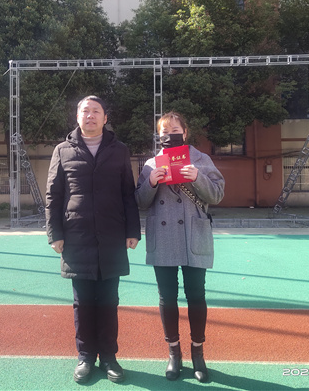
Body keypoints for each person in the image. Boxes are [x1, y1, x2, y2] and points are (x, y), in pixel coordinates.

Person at [45, 95, 141, 384]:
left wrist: (133, 230)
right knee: (83, 302)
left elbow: (128, 193)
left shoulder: (119, 150)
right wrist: (54, 233)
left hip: (112, 235)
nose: (90, 115)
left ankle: (109, 356)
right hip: (77, 236)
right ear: (77, 117)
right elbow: (53, 195)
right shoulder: (62, 150)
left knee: (109, 301)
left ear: (105, 118)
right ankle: (85, 356)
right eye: (85, 111)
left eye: (96, 111)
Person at [135, 111, 225, 383]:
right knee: (167, 297)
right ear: (159, 136)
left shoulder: (201, 159)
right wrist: (151, 182)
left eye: (175, 131)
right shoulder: (151, 163)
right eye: (165, 132)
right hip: (163, 237)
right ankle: (174, 352)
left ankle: (198, 352)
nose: (170, 135)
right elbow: (139, 201)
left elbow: (217, 194)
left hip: (193, 234)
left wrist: (197, 177)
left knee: (196, 296)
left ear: (185, 133)